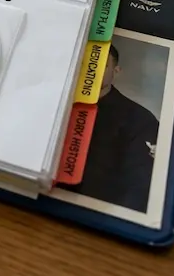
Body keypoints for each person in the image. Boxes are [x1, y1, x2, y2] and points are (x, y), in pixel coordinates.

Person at [66, 45, 158, 212]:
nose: (91, 69)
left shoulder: (140, 119)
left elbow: (139, 187)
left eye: (100, 64)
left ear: (116, 71)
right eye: (86, 62)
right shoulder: (59, 101)